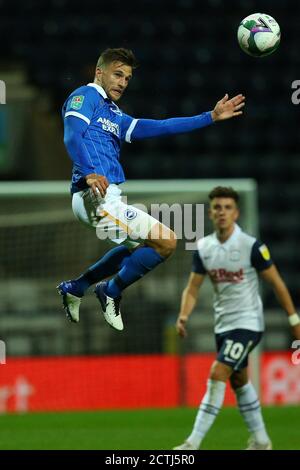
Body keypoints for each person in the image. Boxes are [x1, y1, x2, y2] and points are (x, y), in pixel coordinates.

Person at [57, 48, 245, 331]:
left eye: (128, 78)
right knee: (166, 241)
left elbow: (162, 127)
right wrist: (87, 173)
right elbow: (72, 135)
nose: (122, 82)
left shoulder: (114, 114)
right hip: (93, 196)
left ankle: (78, 286)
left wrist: (210, 117)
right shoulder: (85, 97)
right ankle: (110, 291)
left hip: (106, 196)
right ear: (100, 72)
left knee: (138, 247)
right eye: (117, 74)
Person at [173, 186, 300, 450]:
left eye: (227, 208)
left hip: (248, 323)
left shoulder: (251, 246)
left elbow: (277, 284)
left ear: (236, 213)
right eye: (217, 207)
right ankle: (262, 441)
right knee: (239, 380)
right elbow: (193, 287)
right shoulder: (204, 247)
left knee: (218, 372)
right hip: (224, 325)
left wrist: (294, 321)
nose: (222, 212)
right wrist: (184, 315)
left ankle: (192, 443)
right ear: (210, 213)